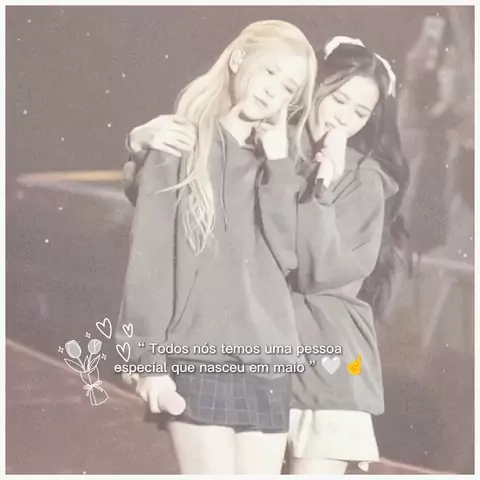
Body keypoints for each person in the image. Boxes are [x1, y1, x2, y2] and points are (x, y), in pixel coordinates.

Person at [123, 35, 410, 474]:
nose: (344, 117)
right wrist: (140, 146)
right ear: (312, 89)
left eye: (360, 112)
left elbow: (318, 270)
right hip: (254, 351)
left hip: (324, 362)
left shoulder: (358, 176)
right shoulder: (265, 144)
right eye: (338, 99)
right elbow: (177, 207)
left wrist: (322, 186)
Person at [114, 20, 317, 475]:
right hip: (198, 355)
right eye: (270, 71)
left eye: (289, 87)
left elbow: (289, 256)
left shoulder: (279, 163)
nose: (274, 90)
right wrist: (149, 362)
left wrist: (279, 163)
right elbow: (150, 263)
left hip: (267, 360)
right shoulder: (178, 145)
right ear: (239, 58)